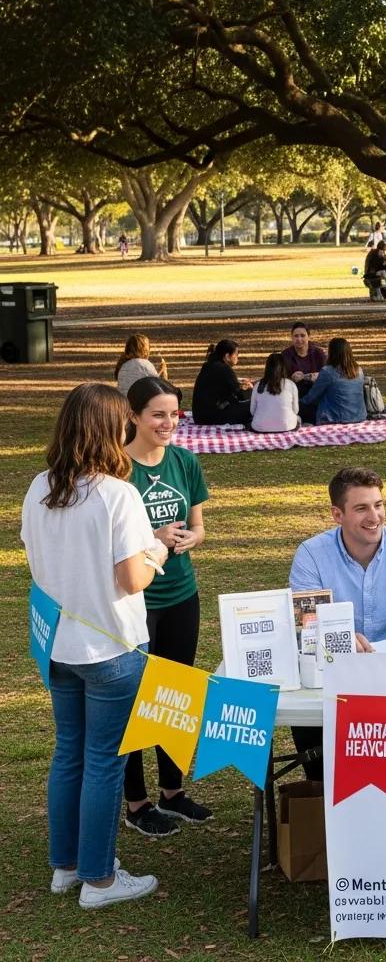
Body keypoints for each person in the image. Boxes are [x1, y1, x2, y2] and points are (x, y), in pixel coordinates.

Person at [21, 383, 167, 908]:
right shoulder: (116, 494)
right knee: (102, 761)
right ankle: (99, 879)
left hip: (58, 645)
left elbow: (37, 558)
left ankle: (67, 867)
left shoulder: (39, 486)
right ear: (111, 428)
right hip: (110, 648)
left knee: (69, 755)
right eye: (125, 420)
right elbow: (131, 580)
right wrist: (155, 554)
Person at [289, 467, 386, 777]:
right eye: (361, 508)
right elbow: (306, 624)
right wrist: (343, 638)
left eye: (378, 505)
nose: (374, 516)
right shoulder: (310, 554)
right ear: (338, 514)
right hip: (332, 673)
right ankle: (319, 792)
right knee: (323, 772)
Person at [121, 378, 212, 837]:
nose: (168, 423)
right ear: (133, 416)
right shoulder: (117, 469)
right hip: (137, 601)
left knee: (175, 695)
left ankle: (172, 793)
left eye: (174, 414)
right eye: (158, 414)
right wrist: (152, 541)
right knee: (136, 698)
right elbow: (112, 546)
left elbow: (198, 526)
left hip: (181, 593)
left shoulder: (185, 461)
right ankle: (135, 803)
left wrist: (190, 538)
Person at [300, 337, 367, 425]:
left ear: (332, 352)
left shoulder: (328, 371)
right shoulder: (359, 370)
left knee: (301, 405)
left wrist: (296, 402)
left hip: (335, 418)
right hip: (359, 416)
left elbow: (311, 397)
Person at [190, 339, 252, 426]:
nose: (237, 357)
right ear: (227, 356)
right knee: (253, 405)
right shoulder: (224, 369)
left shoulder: (209, 366)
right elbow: (241, 396)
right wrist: (250, 389)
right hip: (213, 417)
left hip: (200, 416)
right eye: (236, 354)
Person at [250, 353, 301, 432]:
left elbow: (252, 411)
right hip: (287, 426)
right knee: (298, 419)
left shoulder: (258, 385)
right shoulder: (291, 384)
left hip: (260, 427)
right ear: (284, 367)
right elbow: (295, 410)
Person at [281, 322, 326, 399]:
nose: (299, 339)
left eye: (302, 335)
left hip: (316, 395)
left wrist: (318, 377)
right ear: (291, 337)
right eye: (296, 336)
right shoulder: (285, 355)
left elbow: (328, 376)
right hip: (294, 396)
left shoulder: (319, 353)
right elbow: (279, 379)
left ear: (308, 336)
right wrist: (291, 379)